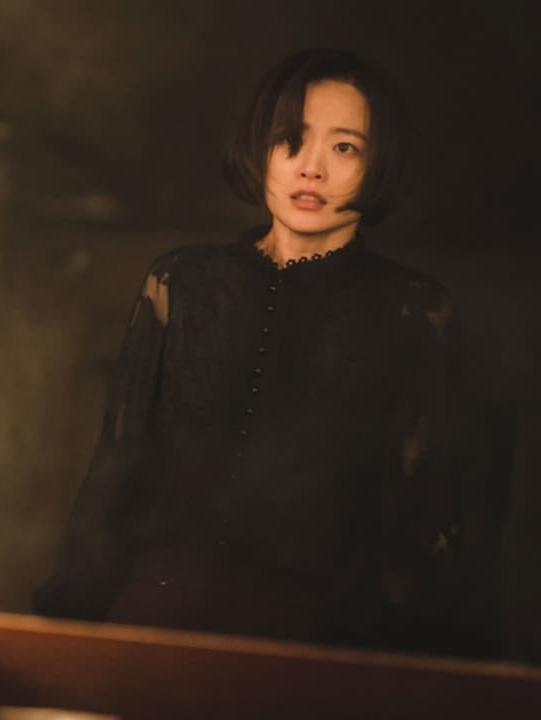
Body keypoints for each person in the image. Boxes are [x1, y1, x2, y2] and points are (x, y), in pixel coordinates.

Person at [33, 48, 468, 655]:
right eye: (290, 140)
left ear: (378, 164)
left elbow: (421, 512)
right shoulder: (180, 282)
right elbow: (119, 466)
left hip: (318, 638)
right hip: (158, 613)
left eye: (345, 147)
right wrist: (66, 630)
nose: (310, 169)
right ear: (261, 149)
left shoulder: (410, 308)